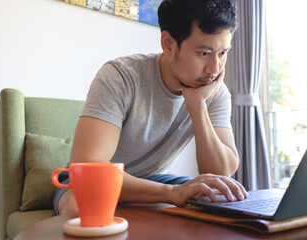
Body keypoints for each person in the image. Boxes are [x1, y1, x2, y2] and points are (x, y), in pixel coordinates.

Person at [53, 0, 248, 217]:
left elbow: (222, 172)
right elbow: (90, 168)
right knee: (81, 207)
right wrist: (171, 193)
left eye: (222, 53)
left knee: (218, 194)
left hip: (152, 178)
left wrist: (197, 106)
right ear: (168, 43)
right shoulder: (121, 76)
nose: (214, 69)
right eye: (204, 53)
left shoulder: (214, 92)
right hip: (86, 184)